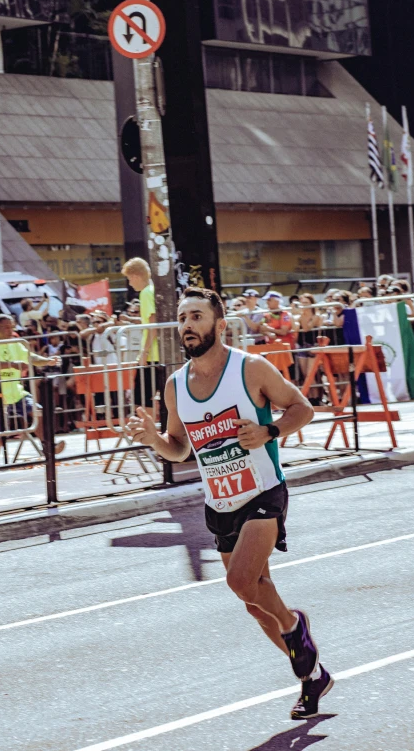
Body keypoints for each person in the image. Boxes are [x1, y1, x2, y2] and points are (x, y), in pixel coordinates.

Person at [127, 287, 333, 720]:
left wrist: (270, 432)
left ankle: (296, 629)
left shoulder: (251, 369)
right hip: (220, 503)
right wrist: (153, 441)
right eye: (182, 318)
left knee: (241, 582)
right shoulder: (176, 385)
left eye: (197, 317)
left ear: (219, 325)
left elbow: (302, 408)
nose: (187, 325)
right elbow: (179, 447)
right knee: (257, 607)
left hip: (262, 491)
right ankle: (312, 677)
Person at [0, 314, 65, 466]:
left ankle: (49, 448)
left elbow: (29, 357)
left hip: (15, 391)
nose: (10, 331)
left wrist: (48, 360)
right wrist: (12, 364)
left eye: (12, 327)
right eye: (6, 328)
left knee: (37, 412)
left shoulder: (14, 342)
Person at [121, 257, 158, 416]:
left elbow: (153, 323)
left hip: (152, 356)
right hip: (158, 354)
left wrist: (144, 352)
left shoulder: (145, 293)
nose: (130, 283)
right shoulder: (153, 289)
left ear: (136, 276)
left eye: (129, 279)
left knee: (142, 399)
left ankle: (150, 435)